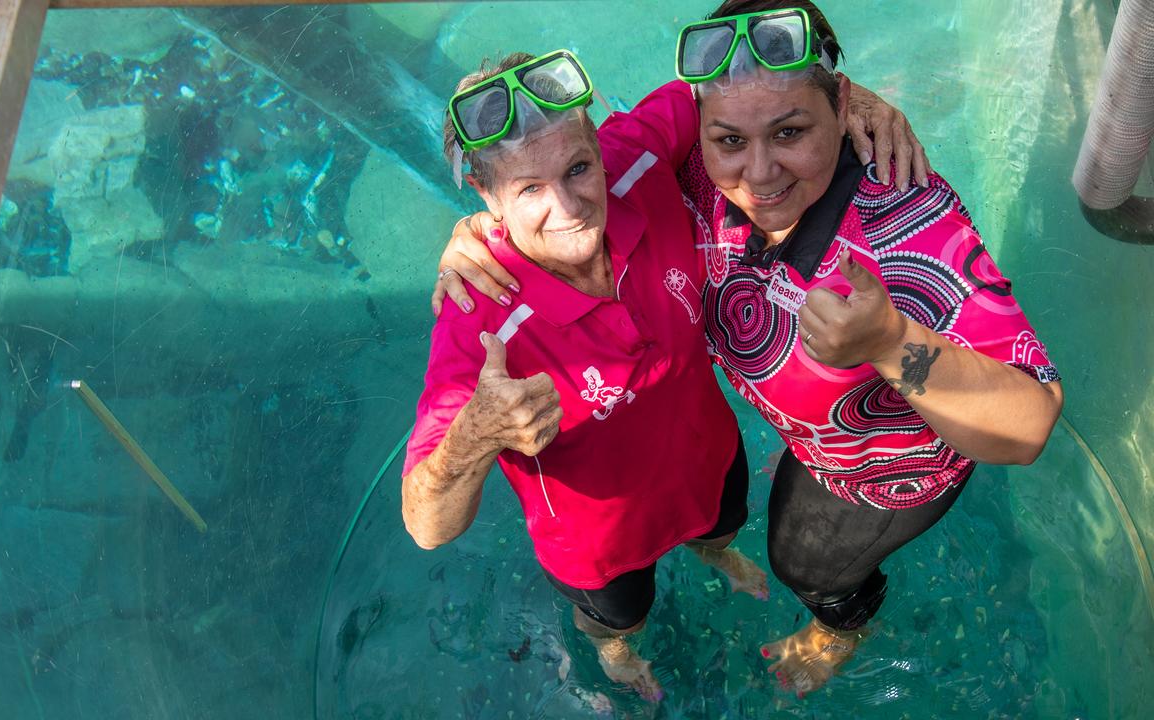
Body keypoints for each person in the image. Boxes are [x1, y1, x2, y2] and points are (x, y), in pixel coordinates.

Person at [430, 0, 1064, 698]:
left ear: (843, 103)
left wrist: (892, 343)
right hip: (773, 454)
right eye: (729, 139)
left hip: (881, 471)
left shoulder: (908, 223)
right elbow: (574, 168)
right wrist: (486, 235)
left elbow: (1029, 425)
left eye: (791, 131)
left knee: (807, 567)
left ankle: (841, 626)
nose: (758, 175)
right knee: (661, 592)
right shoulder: (687, 171)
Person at [402, 48, 918, 701]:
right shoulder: (477, 316)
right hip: (598, 546)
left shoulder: (637, 157)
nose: (568, 206)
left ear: (599, 138)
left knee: (722, 528)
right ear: (485, 195)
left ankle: (718, 554)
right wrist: (478, 432)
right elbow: (426, 525)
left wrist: (852, 99)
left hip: (707, 464)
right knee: (621, 617)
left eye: (577, 167)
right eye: (529, 189)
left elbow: (744, 84)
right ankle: (617, 652)